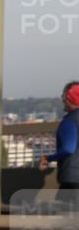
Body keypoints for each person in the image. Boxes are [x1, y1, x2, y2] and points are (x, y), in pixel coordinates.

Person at [39, 81, 79, 210]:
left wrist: (48, 158)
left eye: (63, 97)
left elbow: (68, 148)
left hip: (72, 179)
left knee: (62, 221)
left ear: (68, 98)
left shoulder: (69, 121)